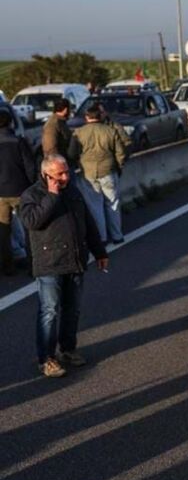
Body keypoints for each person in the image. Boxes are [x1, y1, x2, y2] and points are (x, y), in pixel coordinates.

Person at [19, 154, 108, 377]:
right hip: (49, 263)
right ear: (46, 174)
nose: (66, 177)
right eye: (60, 173)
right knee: (49, 311)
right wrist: (52, 195)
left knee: (72, 309)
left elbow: (88, 222)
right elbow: (32, 222)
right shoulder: (32, 195)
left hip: (75, 260)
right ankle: (46, 358)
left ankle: (68, 349)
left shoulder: (73, 191)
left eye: (67, 171)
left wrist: (99, 251)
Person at [67, 103, 127, 244]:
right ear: (99, 116)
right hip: (108, 171)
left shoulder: (78, 133)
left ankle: (102, 237)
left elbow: (71, 153)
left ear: (87, 117)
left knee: (95, 206)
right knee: (112, 204)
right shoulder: (110, 131)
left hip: (87, 174)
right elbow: (120, 153)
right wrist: (118, 167)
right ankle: (117, 235)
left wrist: (80, 163)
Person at [0, 109, 36, 275]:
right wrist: (32, 185)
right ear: (10, 122)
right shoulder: (18, 141)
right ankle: (33, 264)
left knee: (4, 231)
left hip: (1, 193)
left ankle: (8, 266)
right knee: (29, 228)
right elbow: (30, 166)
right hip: (21, 190)